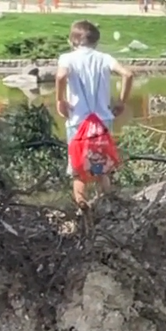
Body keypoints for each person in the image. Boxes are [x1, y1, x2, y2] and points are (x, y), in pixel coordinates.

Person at [54, 20, 134, 207]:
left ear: (71, 41)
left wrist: (60, 100)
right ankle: (108, 207)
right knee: (101, 168)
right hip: (102, 122)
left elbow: (60, 76)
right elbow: (128, 74)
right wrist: (122, 102)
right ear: (96, 42)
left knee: (78, 170)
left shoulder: (67, 58)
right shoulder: (104, 58)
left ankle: (83, 209)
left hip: (78, 122)